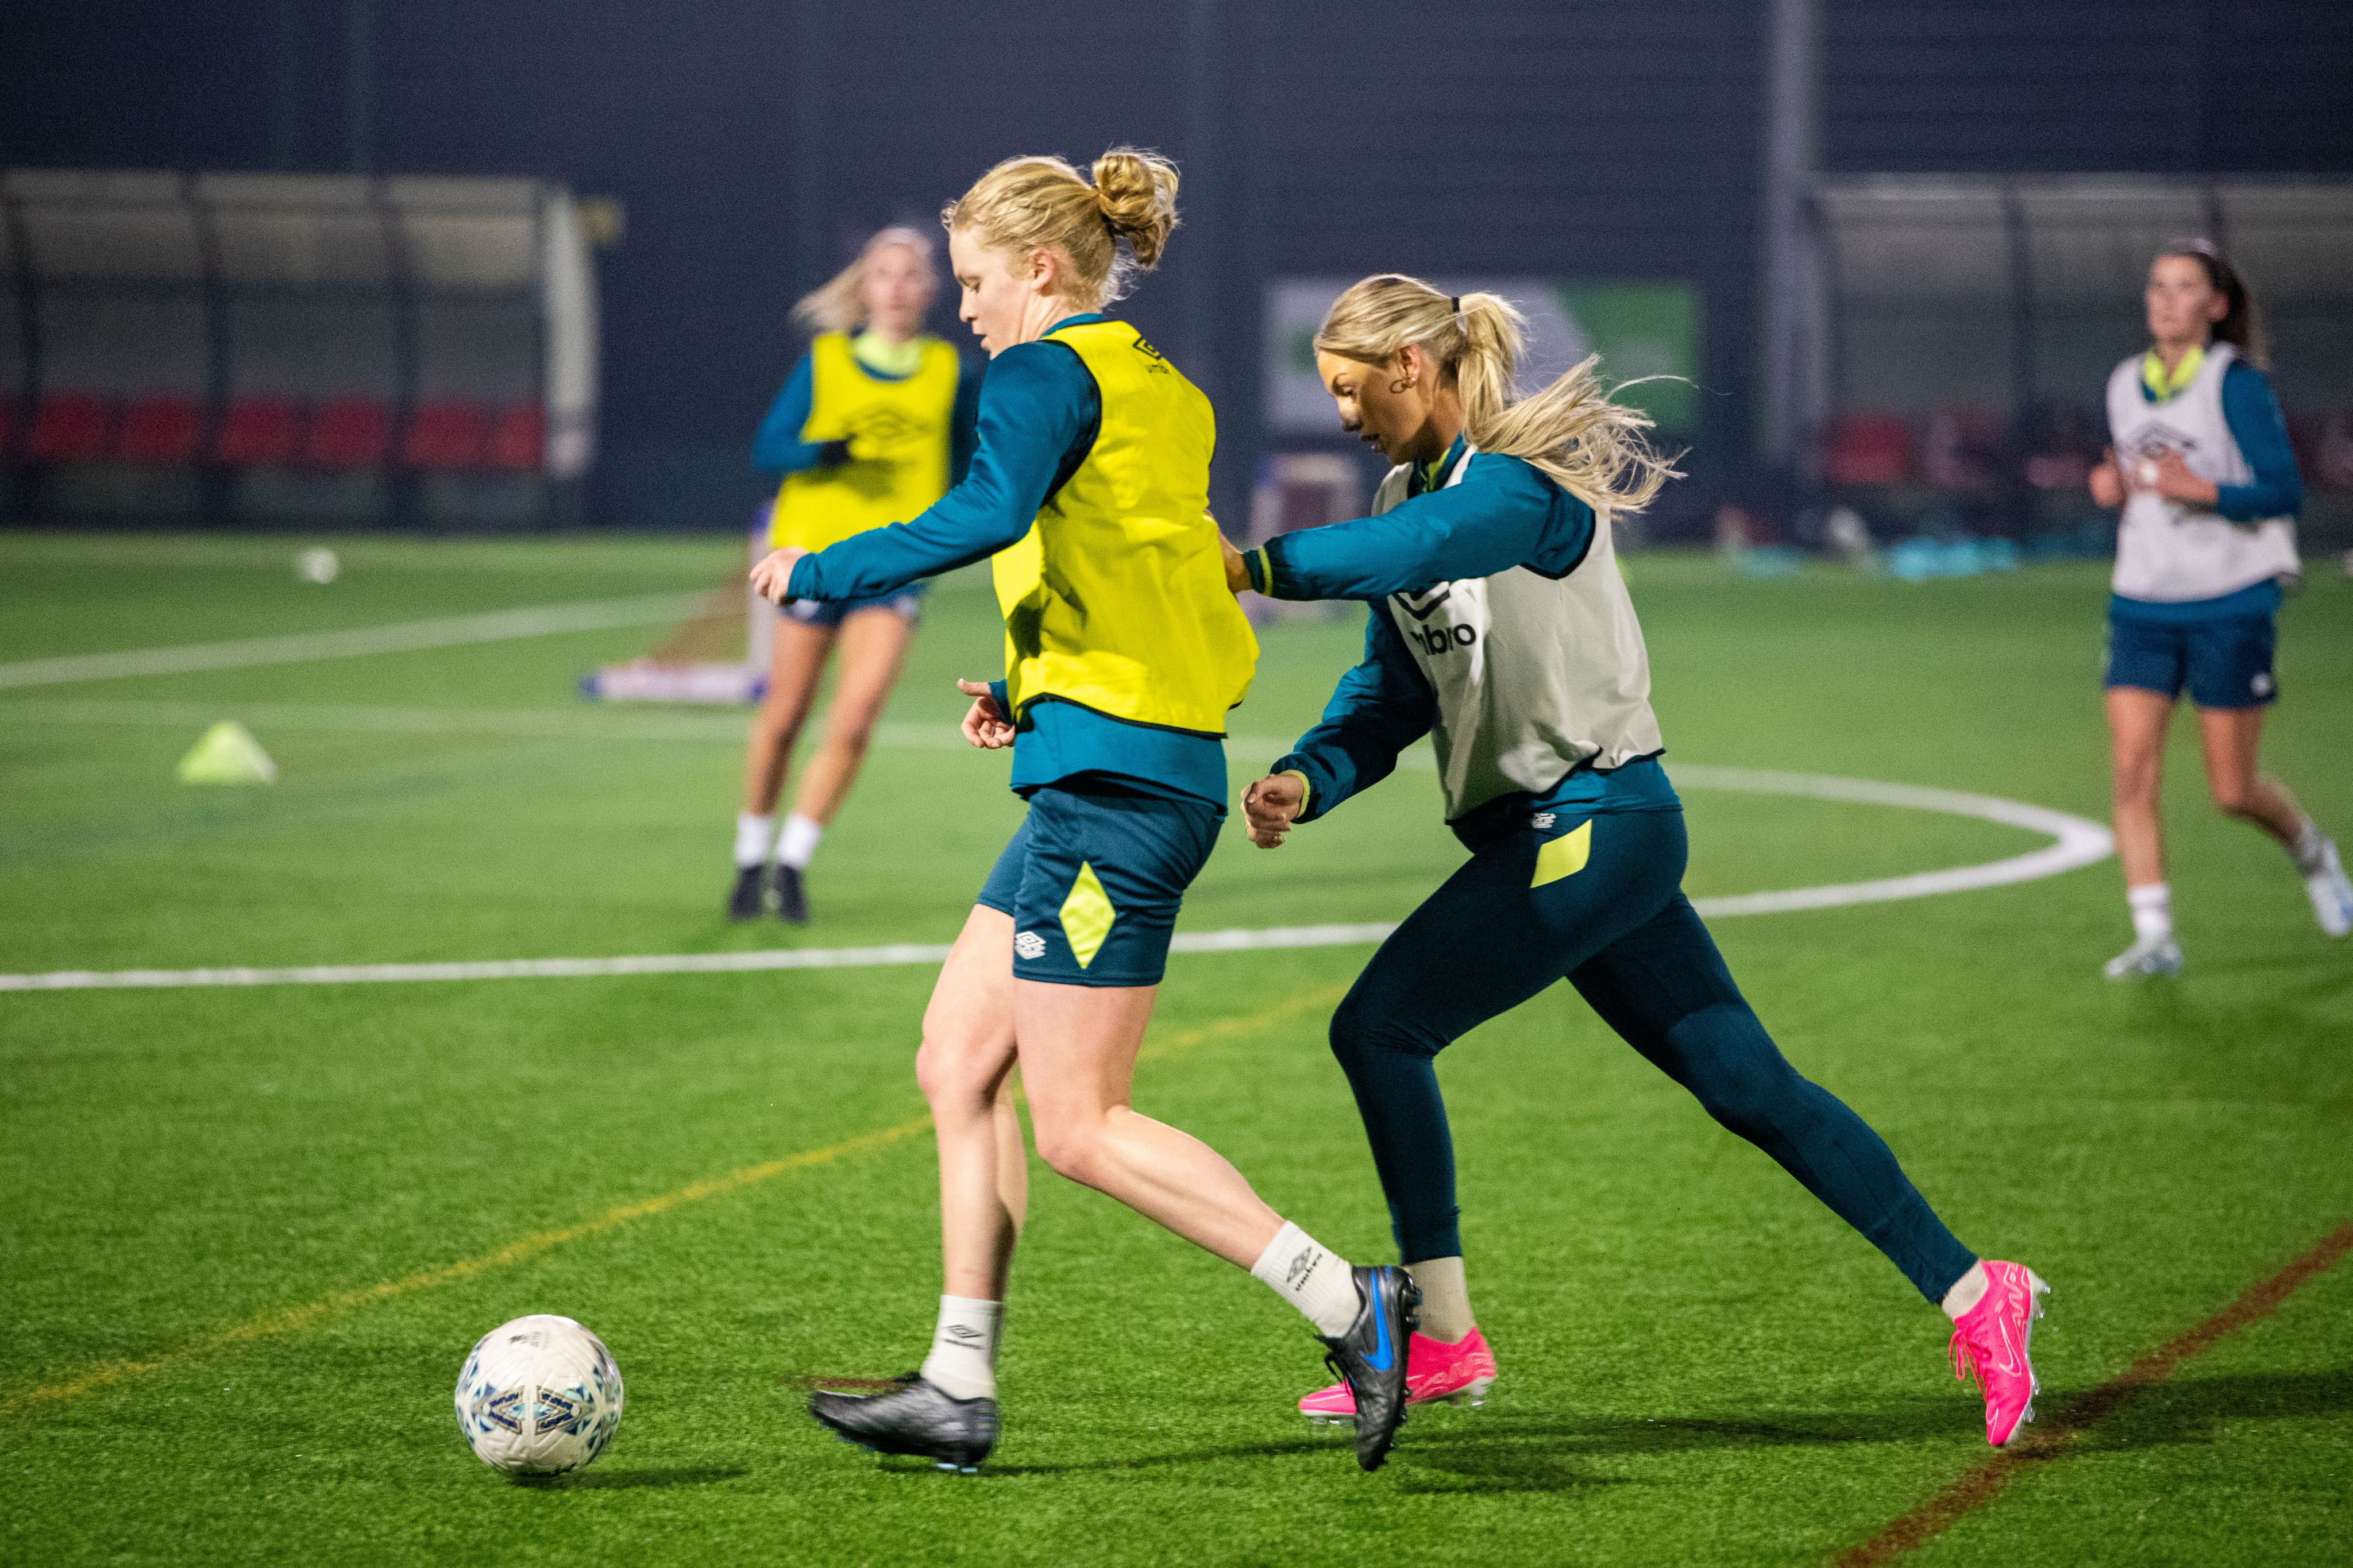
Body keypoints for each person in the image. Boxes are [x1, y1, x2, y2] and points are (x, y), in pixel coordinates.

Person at [1228, 273, 2050, 1449]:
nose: (1344, 416)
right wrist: (1309, 776)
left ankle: (1443, 1337)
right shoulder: (1405, 493)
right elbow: (1391, 691)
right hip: (1563, 838)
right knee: (1752, 1092)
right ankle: (1980, 1293)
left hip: (1594, 822)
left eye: (1352, 390)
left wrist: (1254, 568)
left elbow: (1420, 547)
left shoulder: (1514, 485)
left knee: (1379, 1028)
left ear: (1411, 366)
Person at [750, 151, 1420, 1474]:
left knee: (1078, 1125)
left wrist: (822, 566)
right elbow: (1141, 571)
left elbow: (990, 510)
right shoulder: (1164, 389)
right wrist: (1028, 688)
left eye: (976, 280)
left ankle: (1353, 1305)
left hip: (1115, 797)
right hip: (1115, 761)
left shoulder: (1038, 372)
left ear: (1042, 269)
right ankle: (955, 1383)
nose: (966, 308)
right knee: (955, 1062)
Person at [2087, 240, 2350, 978]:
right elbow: (2134, 480)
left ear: (2216, 305)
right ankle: (2154, 938)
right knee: (2130, 772)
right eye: (2157, 286)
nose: (2166, 301)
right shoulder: (2124, 383)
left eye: (2185, 288)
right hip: (2141, 602)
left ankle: (2312, 852)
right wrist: (2113, 488)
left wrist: (2200, 491)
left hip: (2228, 602)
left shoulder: (2234, 383)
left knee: (2232, 791)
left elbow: (2283, 492)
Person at [731, 227, 983, 923]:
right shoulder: (827, 360)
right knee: (785, 716)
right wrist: (825, 452)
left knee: (854, 717)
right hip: (812, 564)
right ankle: (750, 859)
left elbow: (969, 467)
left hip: (896, 568)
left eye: (910, 275)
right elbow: (769, 447)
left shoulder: (952, 371)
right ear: (864, 286)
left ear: (931, 289)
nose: (896, 287)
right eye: (883, 274)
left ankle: (793, 862)